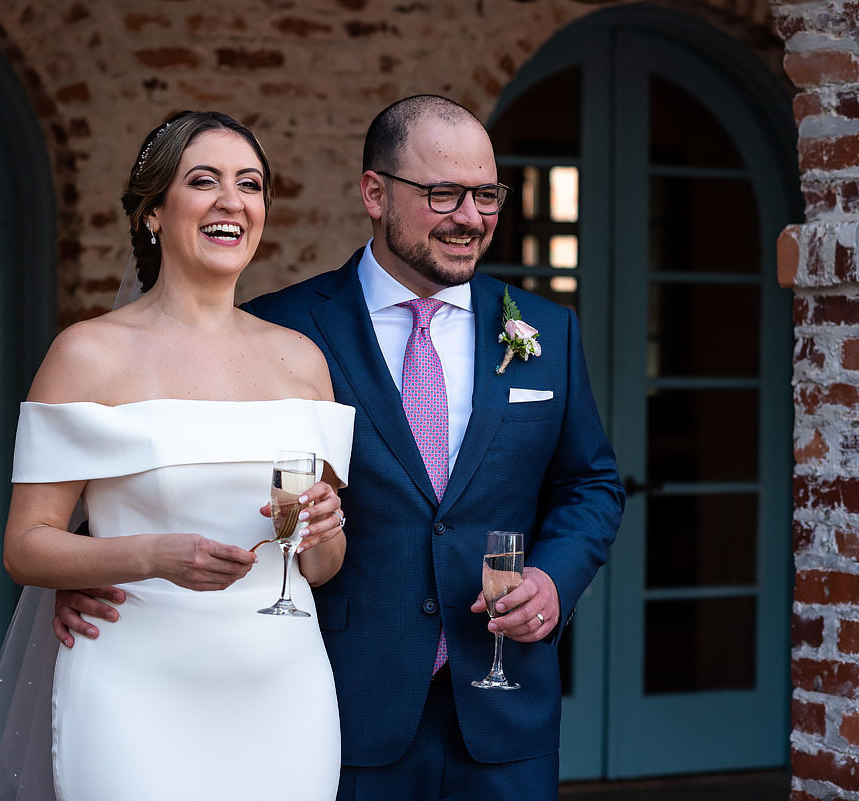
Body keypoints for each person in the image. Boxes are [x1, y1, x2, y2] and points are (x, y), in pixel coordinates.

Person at [54, 95, 624, 800]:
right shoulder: (280, 329)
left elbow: (591, 483)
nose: (471, 218)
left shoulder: (545, 331)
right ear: (375, 194)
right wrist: (88, 559)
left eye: (486, 195)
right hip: (343, 707)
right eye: (443, 194)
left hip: (505, 708)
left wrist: (553, 579)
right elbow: (188, 458)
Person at [0, 110, 355, 801]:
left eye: (250, 184)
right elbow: (26, 546)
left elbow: (317, 566)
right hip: (132, 685)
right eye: (204, 181)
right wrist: (154, 557)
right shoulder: (87, 355)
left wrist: (325, 527)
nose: (232, 201)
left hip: (284, 689)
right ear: (153, 213)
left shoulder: (302, 361)